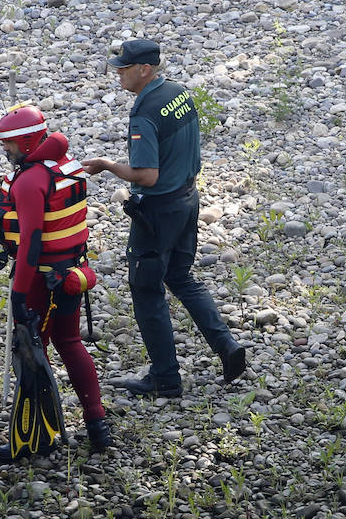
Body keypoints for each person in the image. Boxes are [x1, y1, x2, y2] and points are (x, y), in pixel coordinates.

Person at [82, 38, 247, 398]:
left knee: (147, 290)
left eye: (124, 69)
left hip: (157, 211)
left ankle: (165, 378)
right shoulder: (179, 93)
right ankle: (227, 346)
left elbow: (146, 175)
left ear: (145, 70)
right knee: (181, 277)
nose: (118, 74)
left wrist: (107, 165)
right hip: (188, 198)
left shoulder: (144, 112)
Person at [0, 104, 111, 461]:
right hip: (72, 273)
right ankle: (97, 427)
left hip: (42, 280)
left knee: (31, 354)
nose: (5, 151)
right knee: (70, 343)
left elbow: (30, 243)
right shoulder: (64, 164)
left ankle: (33, 438)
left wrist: (18, 294)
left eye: (8, 145)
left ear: (26, 142)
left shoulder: (30, 180)